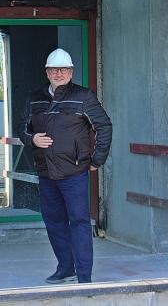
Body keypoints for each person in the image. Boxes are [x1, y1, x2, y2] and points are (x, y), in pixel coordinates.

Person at [18, 48, 112, 284]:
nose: (58, 73)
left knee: (79, 221)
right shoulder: (35, 98)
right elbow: (21, 128)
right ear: (47, 72)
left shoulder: (83, 96)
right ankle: (65, 268)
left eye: (63, 69)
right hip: (47, 172)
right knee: (54, 221)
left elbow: (104, 126)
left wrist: (97, 160)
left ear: (71, 71)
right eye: (54, 69)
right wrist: (32, 139)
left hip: (74, 172)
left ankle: (84, 275)